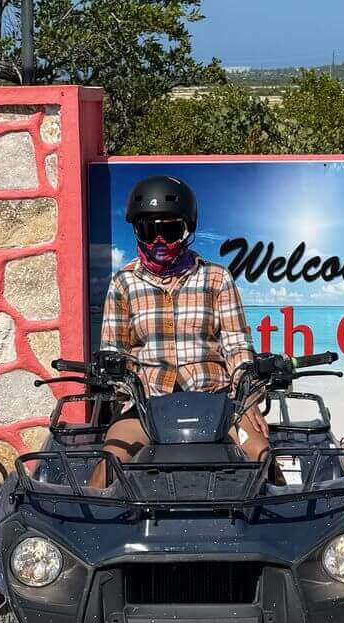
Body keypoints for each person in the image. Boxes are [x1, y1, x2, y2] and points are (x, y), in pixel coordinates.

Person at [94, 173, 269, 486]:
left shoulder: (216, 278)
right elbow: (114, 352)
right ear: (136, 231)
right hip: (146, 406)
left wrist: (249, 397)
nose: (159, 241)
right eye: (149, 231)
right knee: (109, 465)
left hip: (217, 402)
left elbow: (237, 346)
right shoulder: (124, 283)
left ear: (187, 229)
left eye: (170, 230)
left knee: (263, 457)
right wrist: (118, 383)